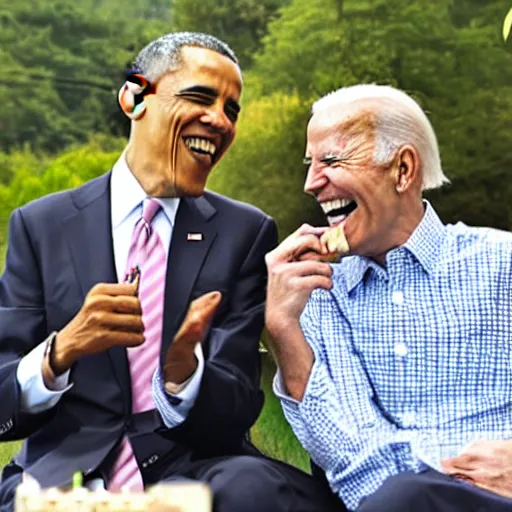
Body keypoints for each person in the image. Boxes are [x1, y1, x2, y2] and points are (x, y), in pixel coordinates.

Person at [0, 32, 342, 512]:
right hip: (64, 477)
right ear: (134, 96)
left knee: (255, 490)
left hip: (197, 470)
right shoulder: (40, 226)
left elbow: (241, 403)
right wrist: (60, 352)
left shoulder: (245, 232)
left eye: (232, 110)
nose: (220, 120)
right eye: (201, 97)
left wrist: (186, 379)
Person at [264, 84, 512, 512]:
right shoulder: (318, 295)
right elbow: (348, 452)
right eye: (310, 164)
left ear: (402, 170)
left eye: (331, 160)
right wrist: (281, 327)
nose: (310, 183)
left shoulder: (502, 263)